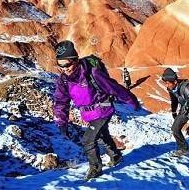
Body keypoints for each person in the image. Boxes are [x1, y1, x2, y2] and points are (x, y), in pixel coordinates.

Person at [53, 40, 141, 181]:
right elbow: (60, 101)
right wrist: (61, 122)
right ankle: (115, 156)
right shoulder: (63, 81)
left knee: (88, 139)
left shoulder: (92, 73)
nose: (65, 69)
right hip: (88, 114)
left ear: (75, 60)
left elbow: (113, 87)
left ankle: (95, 168)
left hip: (103, 109)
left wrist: (131, 100)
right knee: (101, 135)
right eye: (60, 65)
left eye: (67, 64)